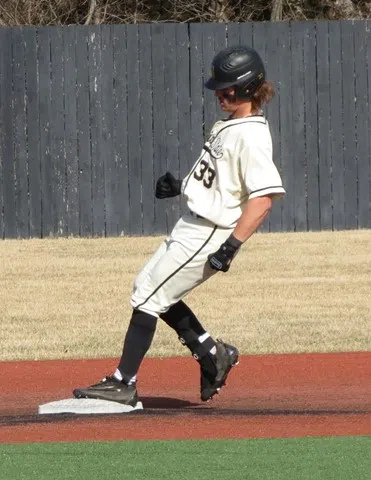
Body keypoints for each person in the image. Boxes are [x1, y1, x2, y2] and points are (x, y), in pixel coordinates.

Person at [73, 45, 286, 406]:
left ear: (249, 88)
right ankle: (212, 355)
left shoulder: (251, 136)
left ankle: (124, 381)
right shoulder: (232, 124)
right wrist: (182, 186)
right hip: (192, 224)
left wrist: (230, 247)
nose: (220, 94)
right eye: (218, 87)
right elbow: (221, 181)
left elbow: (263, 199)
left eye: (228, 89)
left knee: (148, 297)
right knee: (153, 290)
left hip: (209, 233)